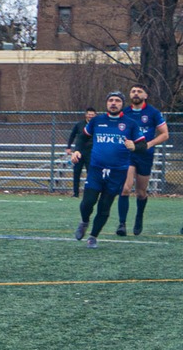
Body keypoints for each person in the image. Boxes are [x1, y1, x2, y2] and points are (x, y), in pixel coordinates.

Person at [72, 91, 136, 247]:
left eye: (117, 101)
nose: (113, 103)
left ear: (122, 104)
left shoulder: (131, 124)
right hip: (96, 169)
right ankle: (84, 221)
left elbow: (141, 144)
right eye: (111, 100)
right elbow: (82, 136)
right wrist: (77, 150)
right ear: (107, 103)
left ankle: (93, 236)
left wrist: (135, 146)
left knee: (104, 206)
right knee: (88, 202)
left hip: (117, 172)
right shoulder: (97, 121)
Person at [115, 84, 168, 235]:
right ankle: (122, 224)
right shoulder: (124, 113)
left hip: (145, 155)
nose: (136, 93)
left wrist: (148, 144)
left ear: (145, 95)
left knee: (141, 192)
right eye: (133, 91)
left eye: (139, 91)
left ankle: (139, 217)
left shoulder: (153, 113)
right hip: (128, 154)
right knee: (125, 188)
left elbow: (165, 134)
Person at [65, 107, 96, 197]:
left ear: (95, 115)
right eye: (89, 114)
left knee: (90, 173)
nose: (90, 116)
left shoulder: (97, 125)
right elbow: (72, 135)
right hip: (79, 151)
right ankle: (76, 193)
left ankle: (90, 193)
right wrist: (68, 147)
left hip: (91, 152)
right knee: (76, 172)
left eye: (92, 115)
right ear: (86, 115)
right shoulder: (79, 124)